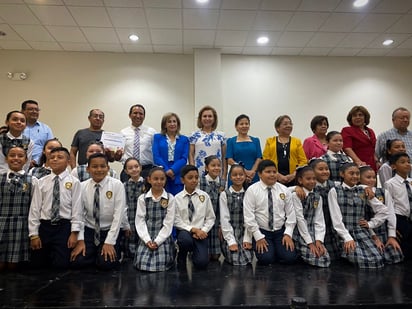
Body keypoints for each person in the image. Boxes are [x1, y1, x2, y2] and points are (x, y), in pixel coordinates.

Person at [29, 147, 82, 269]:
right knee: (38, 264)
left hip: (64, 227)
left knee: (61, 265)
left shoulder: (74, 182)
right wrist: (34, 234)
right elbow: (35, 209)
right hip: (44, 226)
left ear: (68, 161)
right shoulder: (41, 182)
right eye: (52, 158)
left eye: (60, 157)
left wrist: (74, 233)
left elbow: (77, 209)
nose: (55, 160)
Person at [70, 153, 126, 270]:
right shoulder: (82, 186)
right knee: (77, 261)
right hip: (90, 231)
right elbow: (79, 214)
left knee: (107, 264)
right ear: (88, 169)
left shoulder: (117, 185)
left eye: (102, 166)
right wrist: (80, 240)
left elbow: (118, 215)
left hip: (109, 230)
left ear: (108, 168)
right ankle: (95, 252)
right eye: (95, 166)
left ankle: (110, 251)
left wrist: (109, 242)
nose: (99, 169)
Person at [327, 162, 388, 268]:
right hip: (343, 232)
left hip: (360, 231)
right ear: (342, 174)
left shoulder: (363, 190)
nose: (355, 176)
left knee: (377, 260)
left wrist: (371, 224)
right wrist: (347, 238)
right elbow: (336, 219)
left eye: (357, 173)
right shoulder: (335, 191)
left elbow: (383, 210)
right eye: (351, 173)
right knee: (360, 259)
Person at [243, 159, 298, 265]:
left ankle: (278, 249)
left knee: (289, 258)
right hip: (262, 231)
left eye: (274, 172)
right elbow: (249, 216)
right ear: (259, 174)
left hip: (280, 232)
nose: (272, 175)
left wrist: (288, 234)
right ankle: (273, 250)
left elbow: (291, 214)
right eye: (268, 172)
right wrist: (258, 237)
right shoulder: (252, 190)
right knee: (266, 259)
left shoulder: (283, 190)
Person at [0, 146, 37, 271]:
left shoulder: (32, 180)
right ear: (6, 159)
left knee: (13, 265)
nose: (16, 158)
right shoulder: (1, 178)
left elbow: (34, 205)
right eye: (12, 155)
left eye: (20, 156)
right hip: (1, 223)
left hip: (21, 225)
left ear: (26, 160)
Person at [359, 165, 403, 264]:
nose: (372, 180)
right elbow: (362, 219)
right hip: (367, 232)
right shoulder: (359, 193)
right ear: (359, 178)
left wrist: (392, 236)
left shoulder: (383, 192)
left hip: (383, 232)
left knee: (395, 256)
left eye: (374, 177)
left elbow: (390, 214)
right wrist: (374, 236)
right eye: (368, 177)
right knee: (375, 259)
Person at [174, 165, 216, 269]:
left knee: (202, 263)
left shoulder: (204, 196)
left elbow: (210, 218)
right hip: (185, 232)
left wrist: (203, 231)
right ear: (182, 180)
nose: (194, 180)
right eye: (190, 177)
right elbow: (176, 220)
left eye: (196, 177)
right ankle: (182, 254)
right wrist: (193, 229)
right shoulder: (177, 198)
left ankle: (196, 253)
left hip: (200, 234)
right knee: (185, 241)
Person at [134, 167, 176, 271]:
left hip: (162, 237)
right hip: (147, 235)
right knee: (142, 263)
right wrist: (147, 240)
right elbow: (140, 221)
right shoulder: (142, 198)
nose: (159, 182)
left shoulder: (170, 198)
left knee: (161, 263)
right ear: (149, 180)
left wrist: (157, 241)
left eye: (162, 179)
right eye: (155, 179)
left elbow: (168, 223)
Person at [292, 166, 330, 267]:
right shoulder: (296, 195)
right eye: (308, 179)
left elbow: (319, 219)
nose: (312, 181)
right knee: (315, 258)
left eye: (314, 179)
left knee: (325, 258)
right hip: (300, 232)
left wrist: (318, 241)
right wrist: (310, 243)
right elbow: (299, 219)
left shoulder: (318, 197)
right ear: (300, 180)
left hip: (312, 231)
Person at [219, 164, 253, 266]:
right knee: (235, 258)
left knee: (247, 258)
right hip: (230, 231)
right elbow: (224, 219)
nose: (238, 177)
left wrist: (248, 238)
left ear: (245, 176)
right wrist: (231, 241)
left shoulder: (249, 193)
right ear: (230, 177)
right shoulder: (224, 194)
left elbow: (250, 218)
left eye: (241, 174)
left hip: (246, 231)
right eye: (235, 175)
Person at [308, 158, 341, 260]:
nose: (325, 171)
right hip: (317, 224)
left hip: (332, 223)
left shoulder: (335, 185)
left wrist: (365, 187)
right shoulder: (309, 186)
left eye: (327, 169)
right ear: (312, 171)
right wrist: (296, 188)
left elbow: (350, 185)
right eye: (321, 169)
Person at [262, 115, 307, 186]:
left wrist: (294, 174)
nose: (288, 126)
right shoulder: (270, 141)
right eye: (285, 124)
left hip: (294, 178)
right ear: (277, 128)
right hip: (274, 177)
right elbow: (265, 160)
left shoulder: (297, 141)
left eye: (290, 124)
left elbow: (303, 161)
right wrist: (277, 174)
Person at [152, 112, 189, 195]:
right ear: (164, 124)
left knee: (177, 202)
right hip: (161, 174)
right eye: (169, 122)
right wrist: (166, 170)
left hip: (177, 174)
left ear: (178, 124)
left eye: (174, 121)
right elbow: (156, 156)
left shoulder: (184, 139)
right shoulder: (157, 137)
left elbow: (184, 158)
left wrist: (173, 170)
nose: (172, 124)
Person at [384, 152, 412, 259]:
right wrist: (391, 225)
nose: (407, 164)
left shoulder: (410, 182)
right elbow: (388, 205)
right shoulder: (390, 183)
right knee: (406, 246)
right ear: (393, 166)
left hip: (410, 217)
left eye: (409, 162)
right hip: (399, 218)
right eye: (403, 162)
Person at [189, 105, 227, 179]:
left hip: (217, 173)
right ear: (200, 118)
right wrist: (193, 173)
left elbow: (224, 157)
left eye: (210, 116)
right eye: (204, 116)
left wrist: (224, 175)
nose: (207, 118)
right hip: (199, 173)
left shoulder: (221, 136)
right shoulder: (193, 135)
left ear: (214, 118)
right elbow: (191, 155)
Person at [120, 104, 156, 181]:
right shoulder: (123, 132)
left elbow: (157, 151)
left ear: (144, 116)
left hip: (147, 171)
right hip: (128, 171)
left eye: (141, 114)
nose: (138, 116)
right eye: (135, 113)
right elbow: (120, 152)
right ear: (129, 115)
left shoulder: (152, 132)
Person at [198, 155, 225, 261]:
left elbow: (224, 206)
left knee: (215, 257)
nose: (216, 168)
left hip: (217, 220)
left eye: (219, 165)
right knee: (205, 256)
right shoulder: (200, 181)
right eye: (213, 165)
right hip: (203, 220)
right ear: (206, 168)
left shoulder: (223, 183)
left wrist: (221, 225)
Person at [226, 114, 262, 186]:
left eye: (246, 124)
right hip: (236, 175)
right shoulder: (231, 141)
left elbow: (259, 158)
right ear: (236, 127)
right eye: (241, 124)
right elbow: (229, 160)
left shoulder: (256, 140)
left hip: (253, 175)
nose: (244, 126)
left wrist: (252, 171)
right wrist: (243, 171)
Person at [341, 106, 379, 171]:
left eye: (360, 115)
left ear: (365, 117)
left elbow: (373, 148)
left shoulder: (370, 131)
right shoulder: (347, 130)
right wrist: (358, 162)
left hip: (372, 165)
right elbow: (347, 149)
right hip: (358, 166)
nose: (357, 117)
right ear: (351, 118)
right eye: (354, 115)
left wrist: (377, 161)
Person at [122, 157, 145, 257]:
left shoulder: (147, 184)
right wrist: (125, 224)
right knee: (130, 241)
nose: (134, 169)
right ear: (126, 171)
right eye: (130, 168)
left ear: (140, 167)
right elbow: (123, 206)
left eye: (136, 166)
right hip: (130, 218)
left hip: (144, 218)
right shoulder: (123, 186)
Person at [21, 100, 54, 167]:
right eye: (31, 109)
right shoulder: (18, 127)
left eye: (37, 109)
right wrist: (26, 162)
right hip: (19, 165)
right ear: (22, 111)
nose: (34, 112)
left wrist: (36, 161)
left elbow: (51, 148)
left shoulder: (46, 129)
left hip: (40, 166)